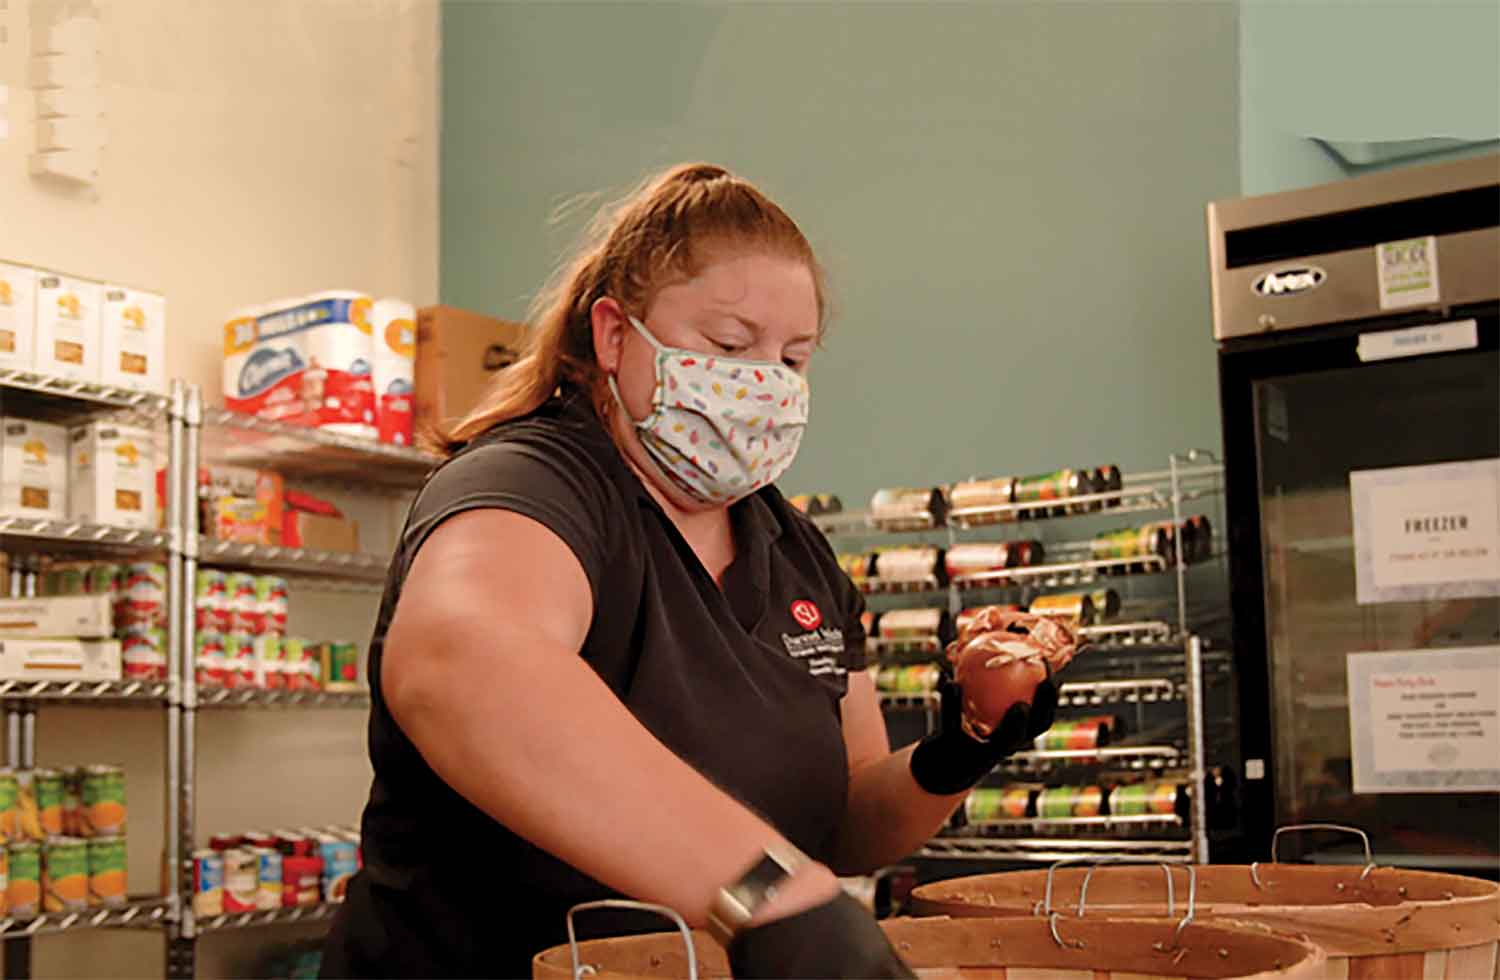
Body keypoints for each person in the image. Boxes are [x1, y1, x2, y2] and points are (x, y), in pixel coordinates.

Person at [320, 163, 1061, 979]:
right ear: (613, 335)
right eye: (730, 345)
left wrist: (957, 751)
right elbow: (460, 664)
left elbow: (840, 819)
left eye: (794, 358)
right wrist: (768, 899)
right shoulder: (532, 486)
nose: (764, 383)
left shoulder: (796, 553)